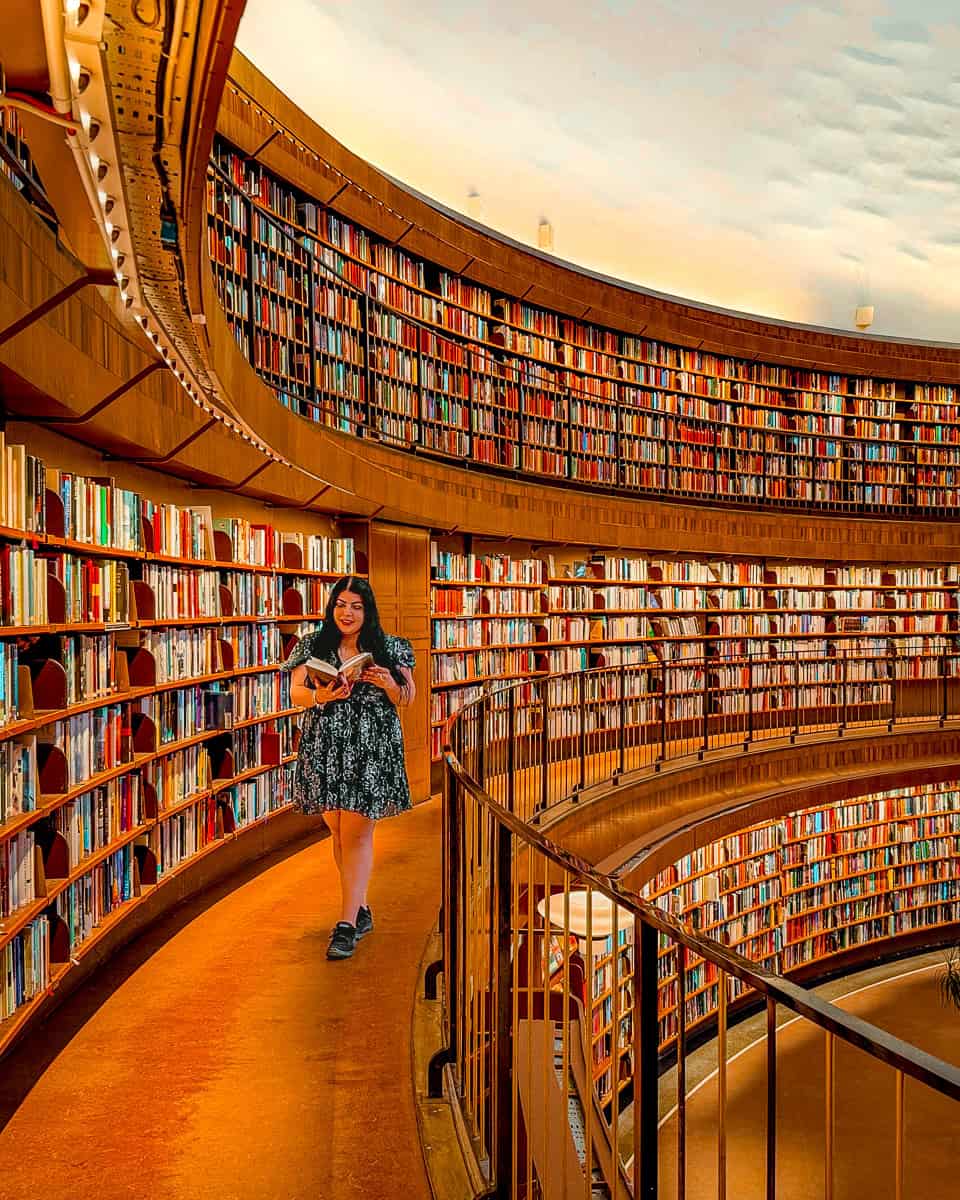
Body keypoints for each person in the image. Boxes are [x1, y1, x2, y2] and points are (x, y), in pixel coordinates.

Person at [284, 576, 416, 959]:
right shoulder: (313, 644)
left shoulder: (390, 648)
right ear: (332, 607)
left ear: (368, 610)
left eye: (356, 606)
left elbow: (407, 698)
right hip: (325, 745)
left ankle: (345, 925)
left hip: (369, 748)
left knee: (357, 835)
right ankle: (359, 908)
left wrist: (389, 682)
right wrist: (318, 695)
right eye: (341, 604)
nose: (347, 612)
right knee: (339, 833)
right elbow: (295, 692)